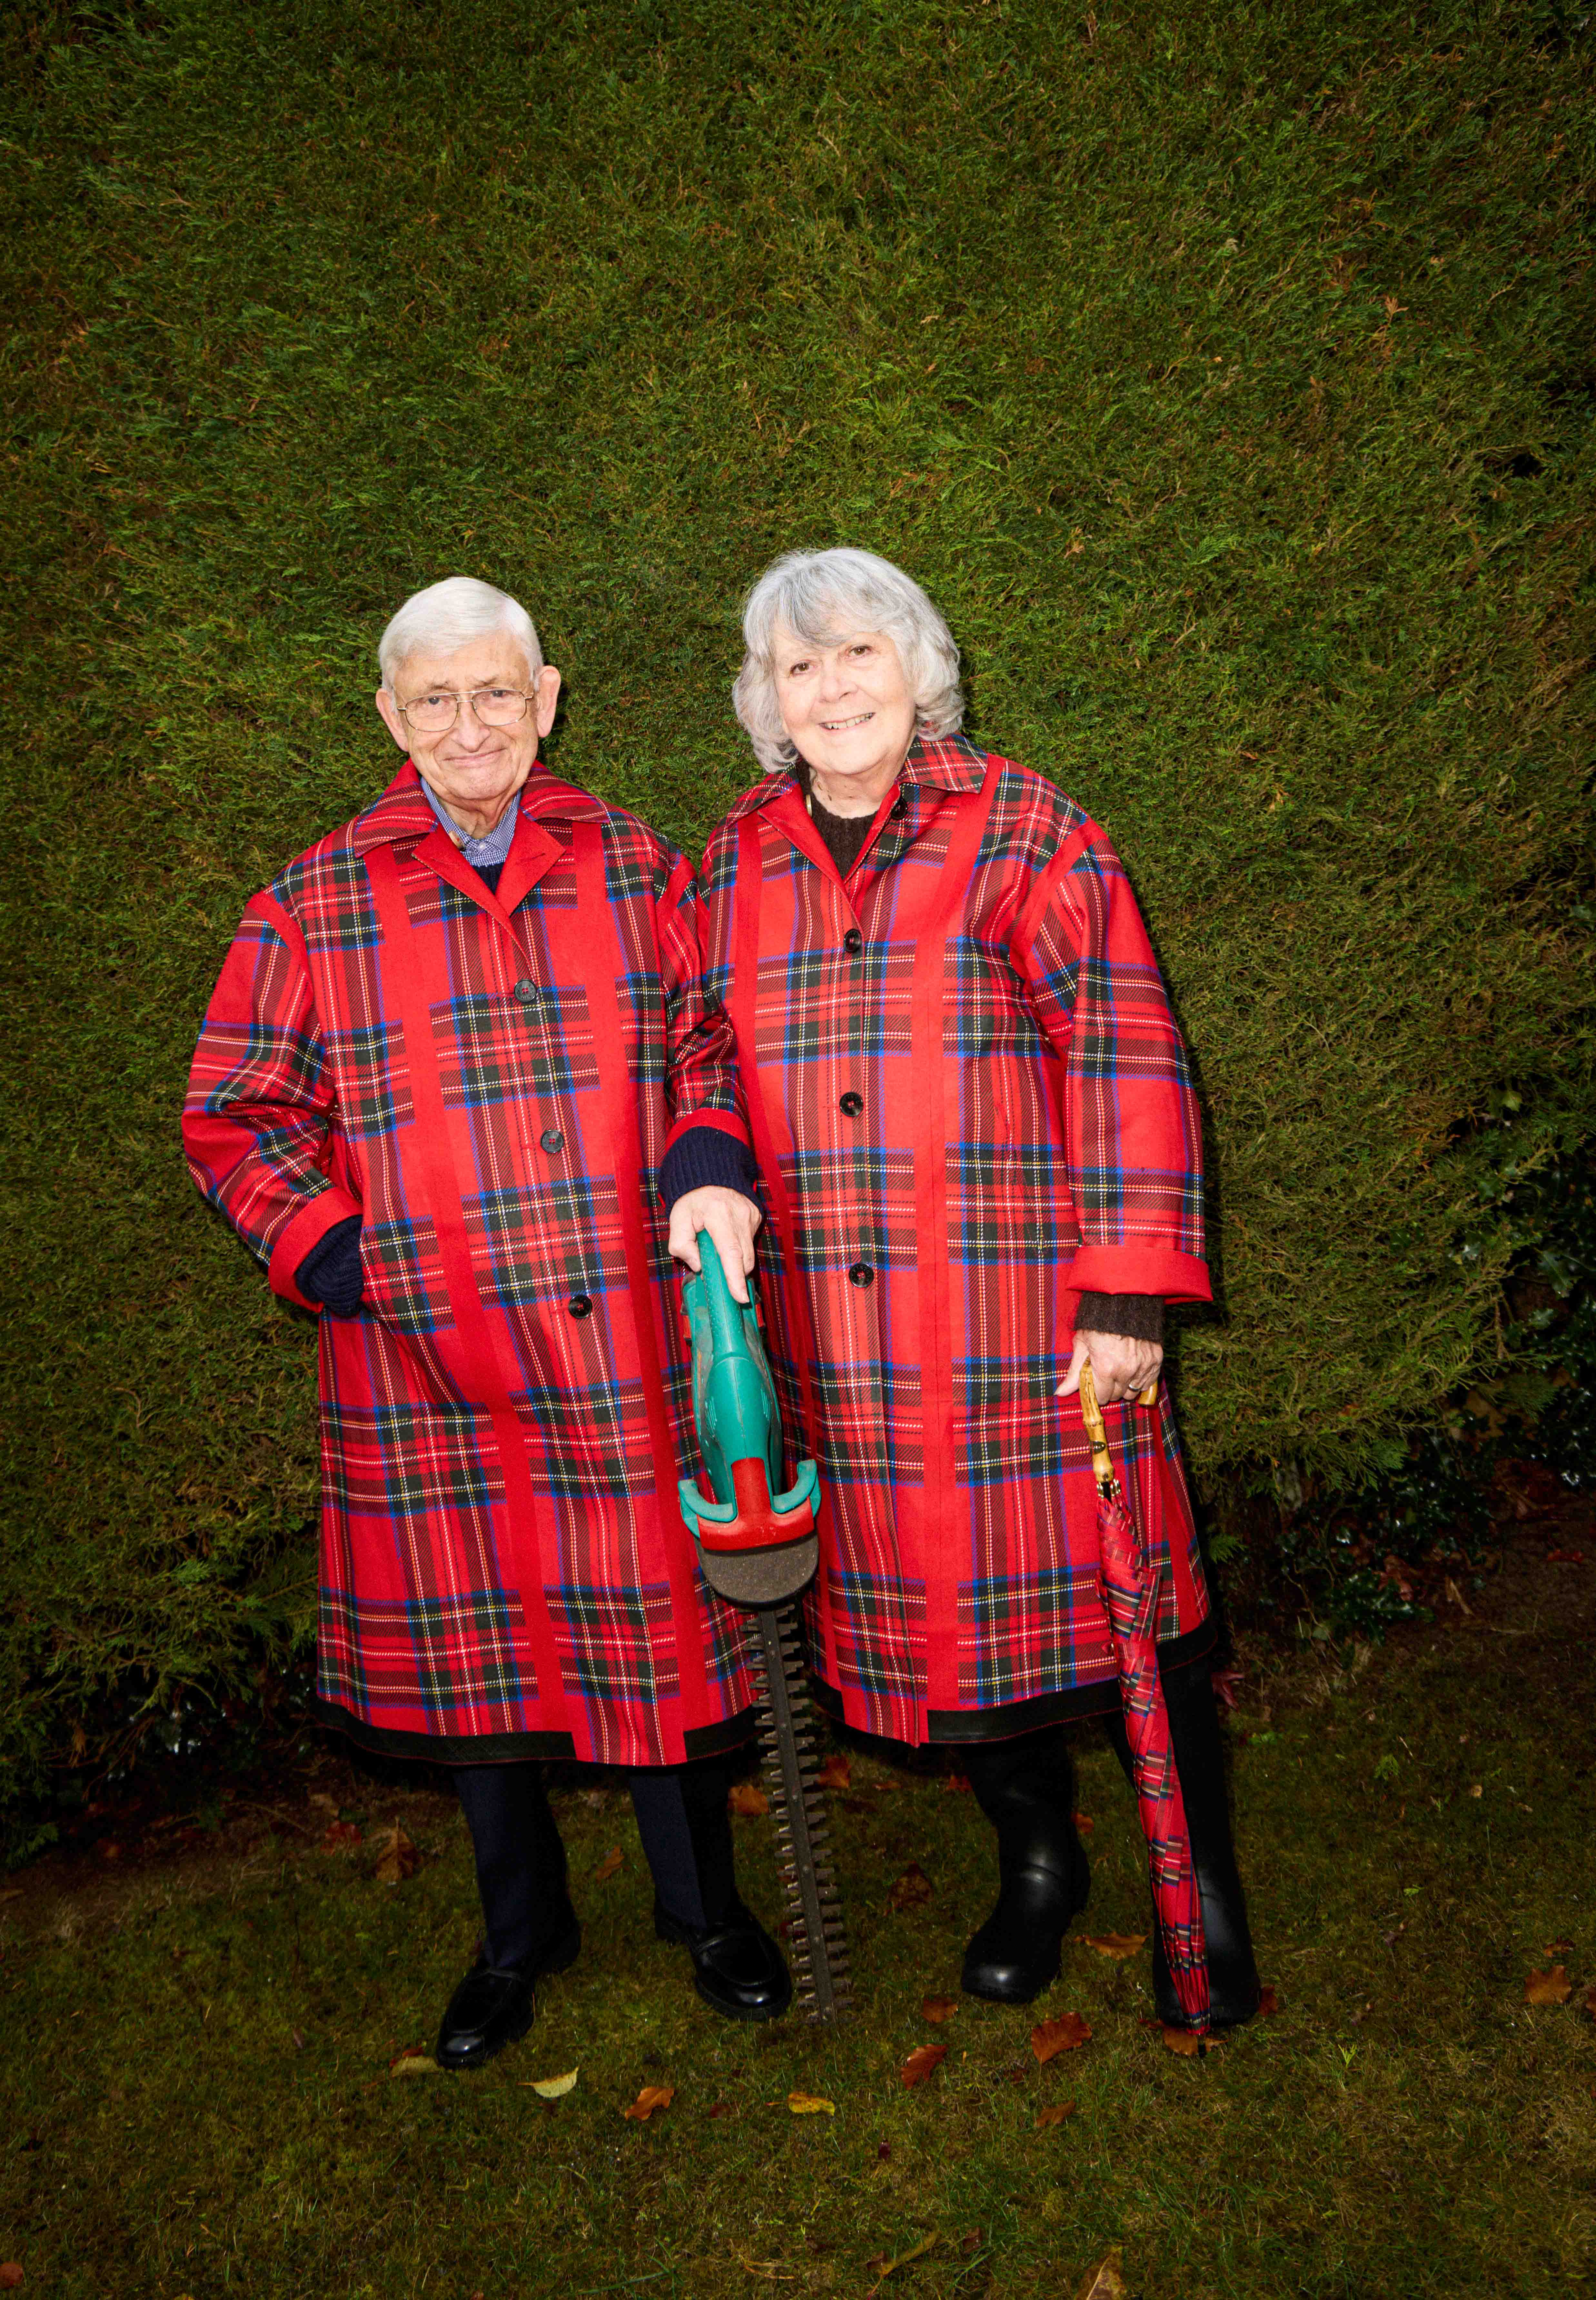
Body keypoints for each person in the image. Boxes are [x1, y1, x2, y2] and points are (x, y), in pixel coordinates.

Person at [183, 576, 786, 2067]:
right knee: (477, 1660)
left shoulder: (636, 862)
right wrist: (336, 1256)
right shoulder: (310, 901)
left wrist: (705, 1164)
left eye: (498, 694)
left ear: (548, 698)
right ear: (390, 716)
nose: (471, 725)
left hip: (618, 1337)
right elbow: (232, 1110)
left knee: (659, 1635)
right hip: (424, 1359)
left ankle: (701, 1910)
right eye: (436, 699)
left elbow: (708, 1038)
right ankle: (520, 1935)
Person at [698, 546, 1260, 2024]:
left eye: (858, 655)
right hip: (849, 1344)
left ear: (915, 668)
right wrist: (704, 1162)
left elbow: (1127, 1053)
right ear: (767, 699)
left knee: (1124, 1605)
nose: (831, 689)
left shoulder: (1028, 829)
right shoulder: (734, 861)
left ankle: (1197, 1889)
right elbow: (698, 1053)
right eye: (798, 667)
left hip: (1029, 1323)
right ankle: (1036, 1862)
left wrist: (1127, 1295)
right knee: (941, 1640)